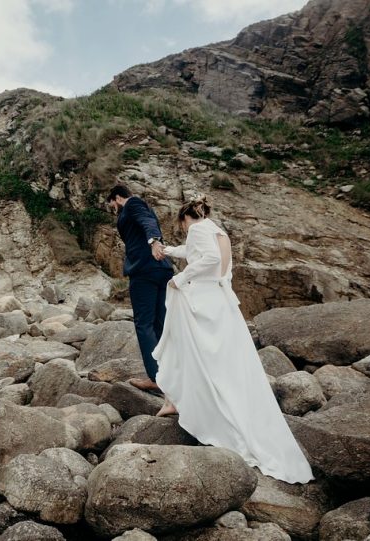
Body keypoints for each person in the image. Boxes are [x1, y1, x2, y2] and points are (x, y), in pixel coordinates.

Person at [153, 195, 314, 484]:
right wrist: (169, 250)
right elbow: (197, 253)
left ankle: (193, 406)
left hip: (204, 300)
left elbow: (209, 259)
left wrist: (182, 278)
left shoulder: (198, 230)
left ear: (184, 219)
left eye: (182, 227)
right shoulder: (217, 230)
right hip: (220, 299)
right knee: (226, 363)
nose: (185, 231)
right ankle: (181, 399)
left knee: (197, 353)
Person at [106, 185, 174, 392]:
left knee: (144, 324)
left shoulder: (133, 204)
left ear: (117, 197)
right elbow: (146, 220)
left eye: (110, 204)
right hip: (161, 270)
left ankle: (156, 378)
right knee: (160, 324)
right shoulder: (143, 207)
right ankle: (171, 373)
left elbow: (148, 222)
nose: (111, 209)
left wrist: (154, 241)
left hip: (144, 271)